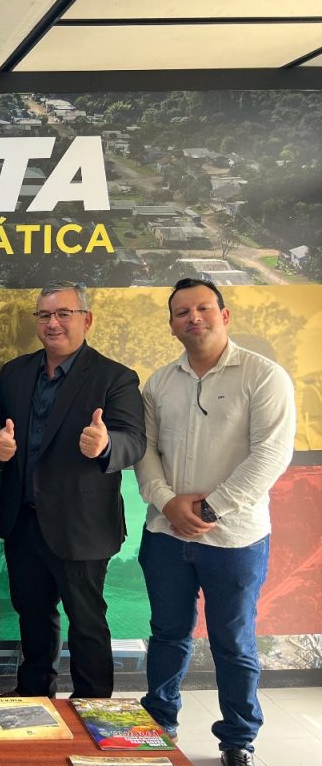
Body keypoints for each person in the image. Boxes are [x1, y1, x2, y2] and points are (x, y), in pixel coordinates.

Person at [135, 278, 295, 766]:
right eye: (182, 312)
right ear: (171, 325)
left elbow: (271, 455)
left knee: (233, 641)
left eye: (203, 308)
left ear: (224, 315)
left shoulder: (263, 376)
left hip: (235, 539)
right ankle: (159, 723)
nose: (193, 318)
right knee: (167, 634)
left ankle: (238, 738)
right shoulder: (159, 383)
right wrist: (168, 504)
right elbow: (145, 452)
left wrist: (209, 509)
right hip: (165, 535)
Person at [0, 281, 145, 699]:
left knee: (86, 619)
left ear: (86, 320)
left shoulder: (114, 377)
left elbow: (134, 441)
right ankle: (34, 693)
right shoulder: (16, 372)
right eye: (44, 315)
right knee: (32, 613)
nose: (52, 323)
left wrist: (105, 445)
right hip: (24, 520)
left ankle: (93, 702)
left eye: (63, 314)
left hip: (82, 523)